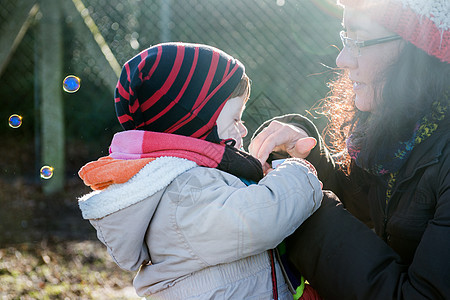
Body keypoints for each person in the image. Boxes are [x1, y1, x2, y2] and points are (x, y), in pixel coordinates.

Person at [77, 42, 323, 299]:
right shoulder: (184, 191)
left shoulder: (190, 178)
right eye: (236, 118)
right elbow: (261, 220)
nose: (244, 130)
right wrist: (299, 171)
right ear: (197, 121)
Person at [249, 0, 450, 298]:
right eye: (346, 38)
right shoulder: (408, 132)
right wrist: (303, 154)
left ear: (416, 51)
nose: (342, 59)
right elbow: (359, 201)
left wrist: (300, 207)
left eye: (359, 41)